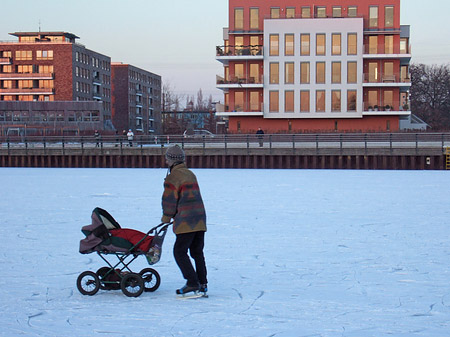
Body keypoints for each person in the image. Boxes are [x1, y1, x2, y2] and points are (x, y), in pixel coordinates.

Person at [161, 145, 208, 296]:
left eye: (167, 159)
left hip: (186, 220)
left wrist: (166, 217)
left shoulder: (173, 177)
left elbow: (169, 200)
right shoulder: (190, 173)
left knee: (179, 252)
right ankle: (203, 283)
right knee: (197, 252)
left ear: (171, 160)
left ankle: (192, 282)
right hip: (199, 218)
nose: (166, 161)